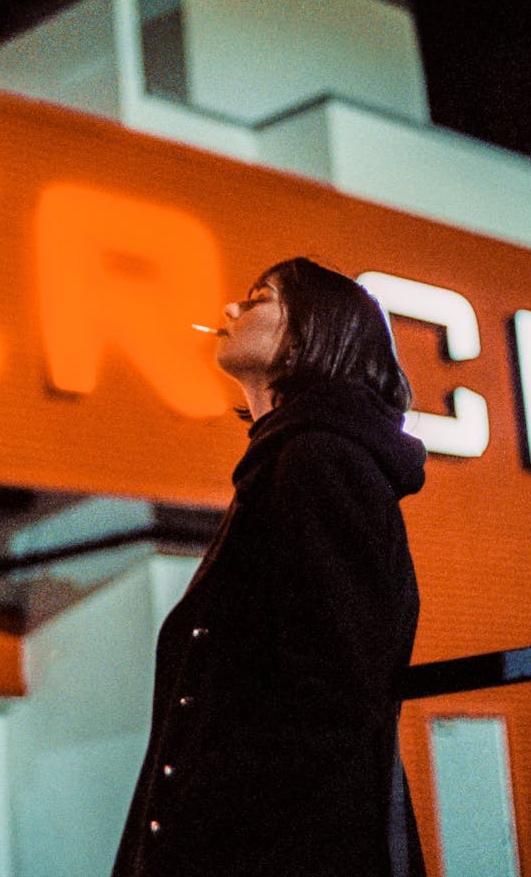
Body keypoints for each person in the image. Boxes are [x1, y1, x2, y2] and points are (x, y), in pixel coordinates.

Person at [112, 257, 428, 877]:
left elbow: (334, 689)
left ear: (316, 331)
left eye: (258, 299)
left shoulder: (318, 462)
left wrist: (202, 825)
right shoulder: (290, 463)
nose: (229, 310)